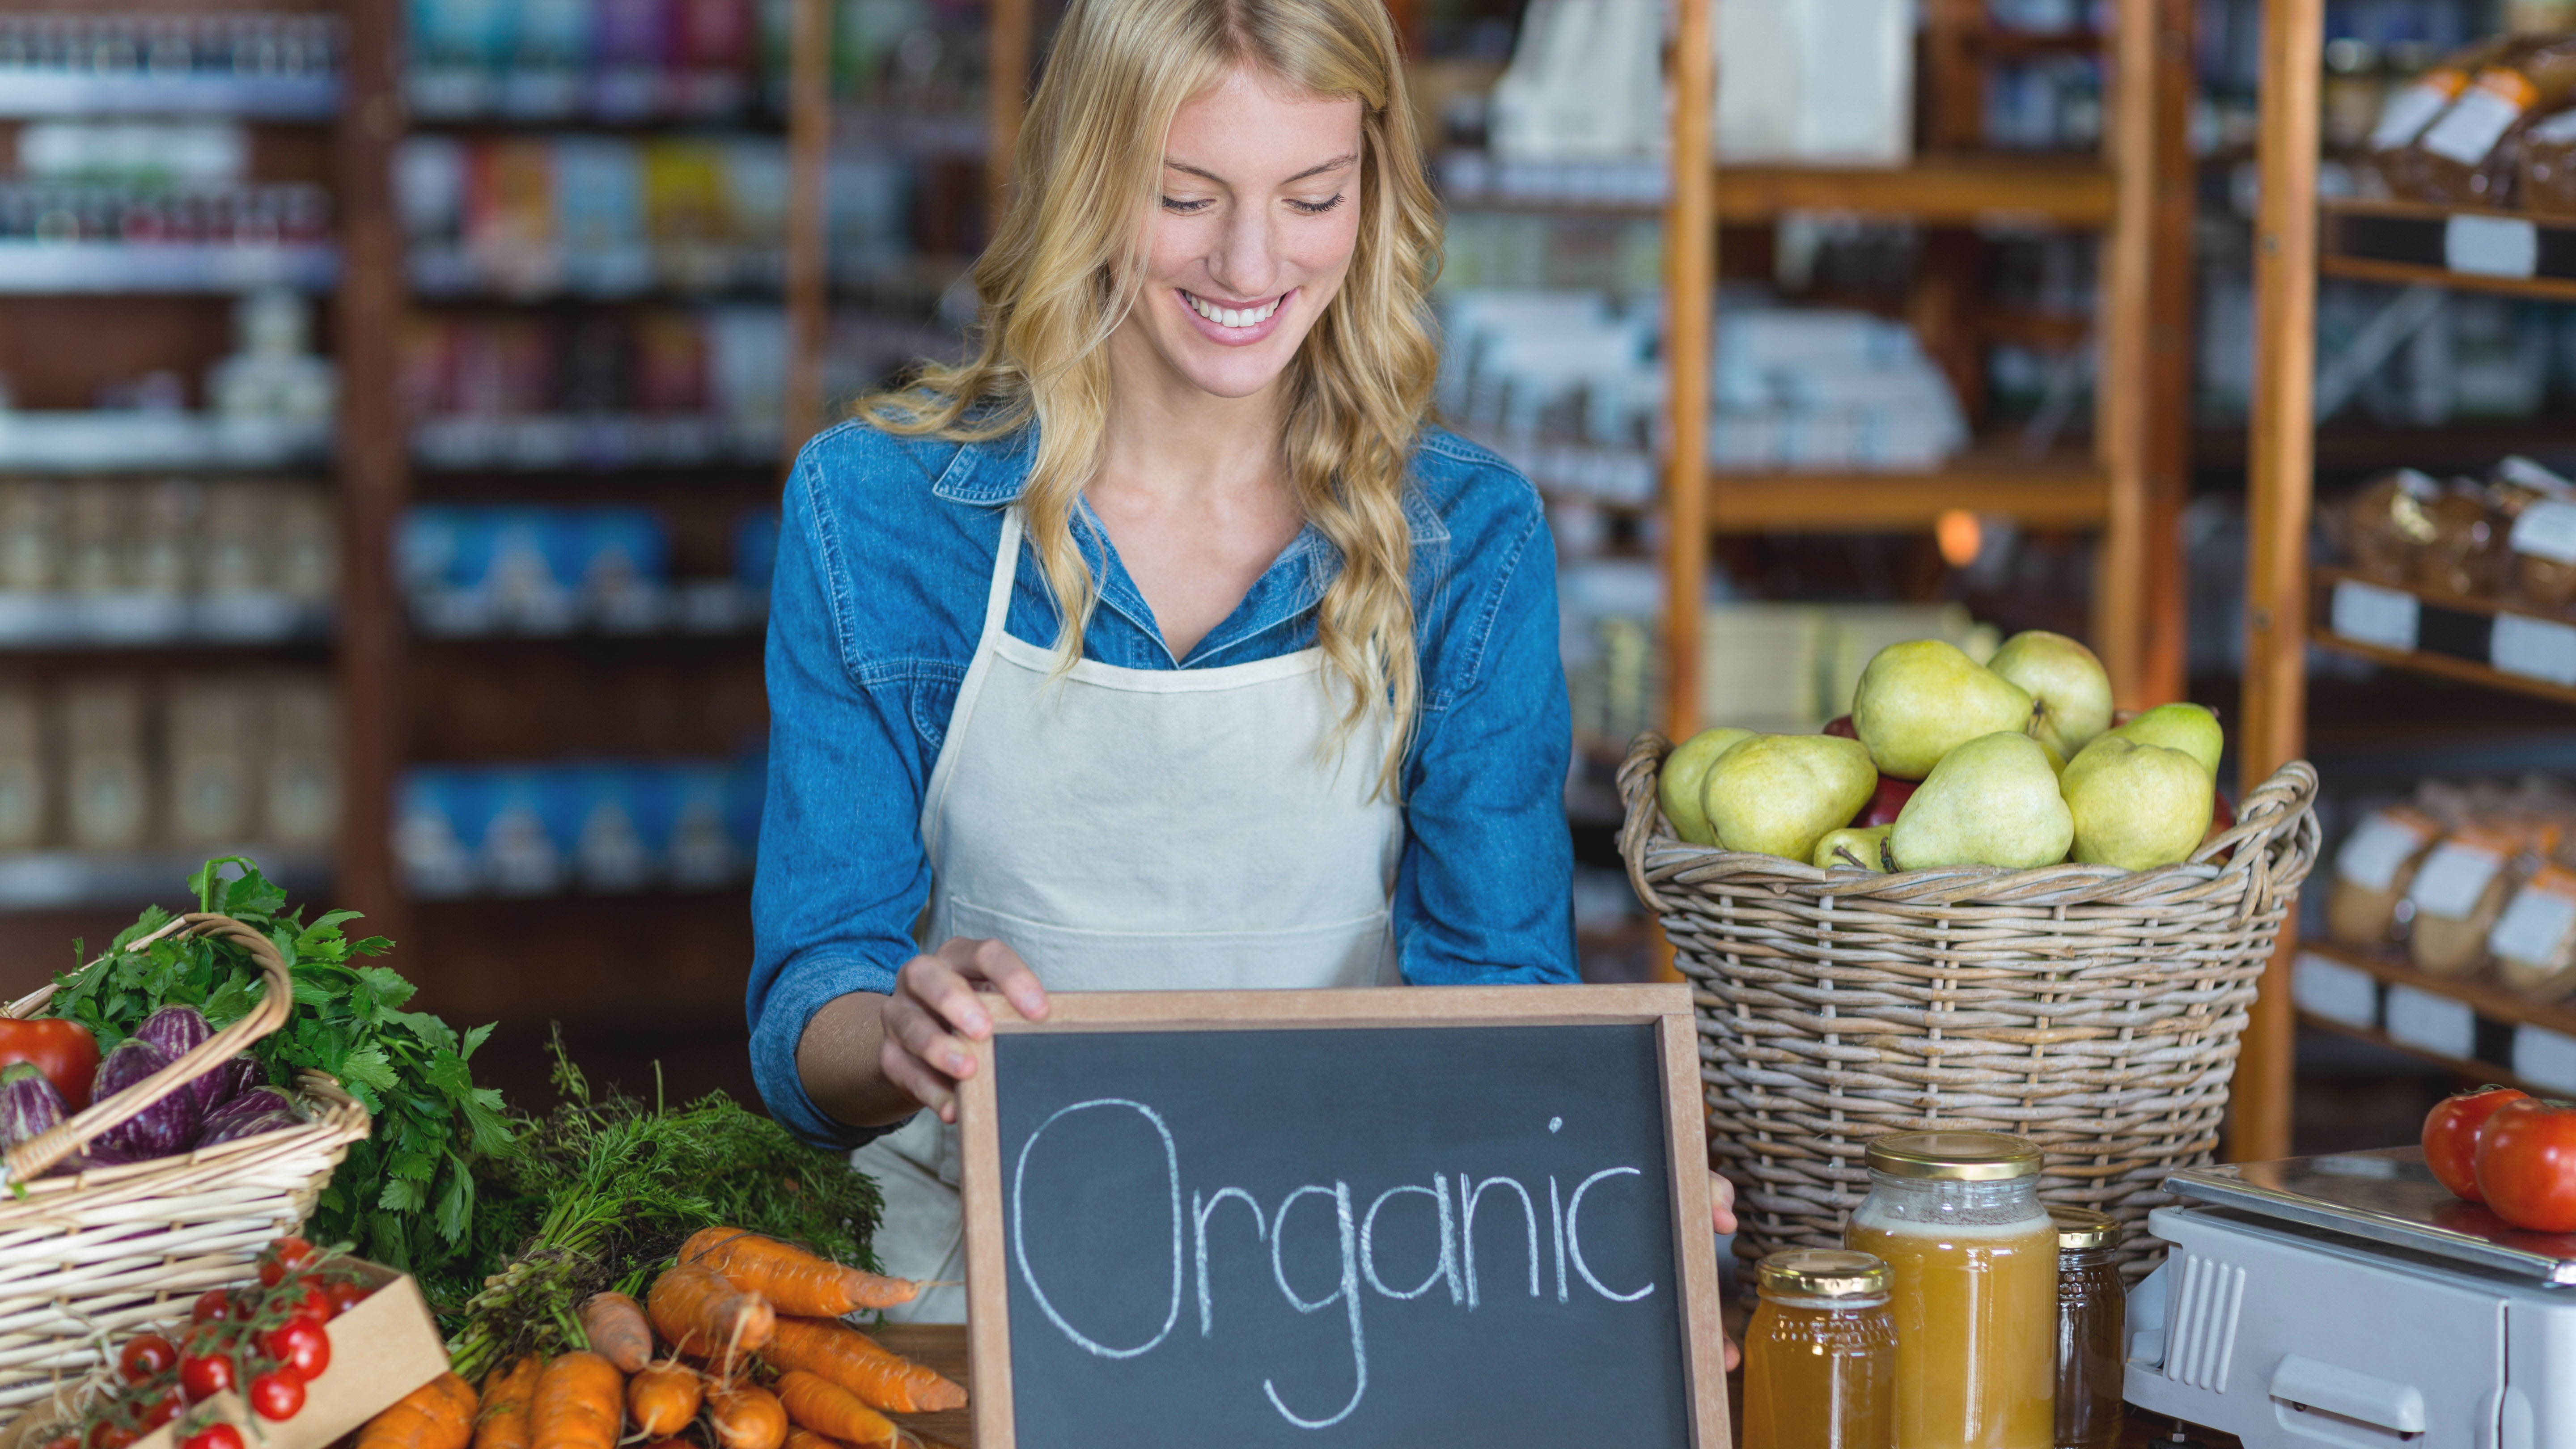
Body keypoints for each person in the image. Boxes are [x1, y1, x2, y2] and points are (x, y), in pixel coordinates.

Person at [746, 0, 1735, 1327]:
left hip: (1346, 1300)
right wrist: (900, 1034)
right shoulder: (880, 511)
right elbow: (810, 1001)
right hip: (971, 1315)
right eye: (1184, 195)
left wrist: (1596, 1169)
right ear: (1089, 181)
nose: (1251, 261)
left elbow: (1495, 997)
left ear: (1372, 192)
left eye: (1313, 196)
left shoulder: (1462, 539)